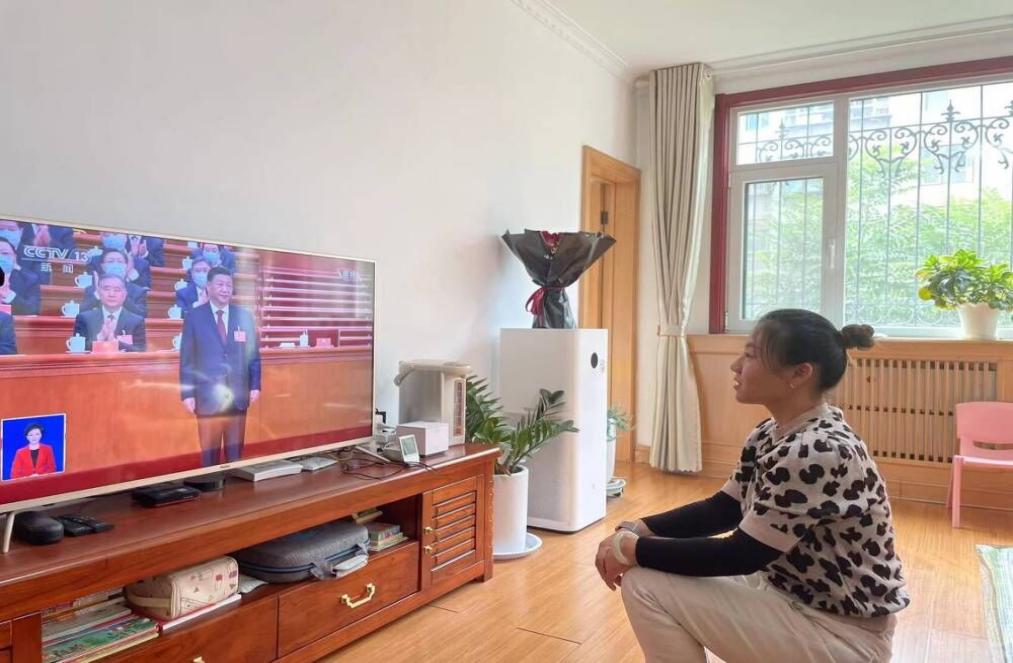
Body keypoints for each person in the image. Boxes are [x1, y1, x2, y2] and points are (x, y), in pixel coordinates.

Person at [600, 310, 909, 663]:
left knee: (645, 583)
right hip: (789, 591)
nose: (736, 366)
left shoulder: (816, 450)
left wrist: (632, 549)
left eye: (750, 356)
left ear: (799, 373)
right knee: (649, 567)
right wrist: (638, 529)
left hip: (840, 632)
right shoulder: (772, 433)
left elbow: (741, 555)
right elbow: (725, 508)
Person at [179, 266, 261, 467]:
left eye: (229, 285)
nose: (225, 289)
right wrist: (187, 393)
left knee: (235, 456)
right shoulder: (194, 317)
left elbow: (253, 355)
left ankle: (234, 486)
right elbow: (187, 359)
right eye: (220, 284)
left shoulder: (244, 316)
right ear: (208, 287)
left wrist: (255, 385)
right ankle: (212, 485)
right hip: (207, 397)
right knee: (209, 456)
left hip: (237, 395)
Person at [72, 273, 147, 352]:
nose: (111, 294)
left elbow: (141, 350)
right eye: (106, 289)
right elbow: (77, 349)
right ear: (99, 292)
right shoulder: (84, 318)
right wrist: (99, 338)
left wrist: (116, 343)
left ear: (124, 294)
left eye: (117, 290)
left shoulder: (136, 321)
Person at [81, 248, 149, 318]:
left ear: (126, 266)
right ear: (102, 266)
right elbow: (81, 312)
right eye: (111, 261)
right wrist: (97, 296)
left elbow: (142, 315)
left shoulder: (137, 291)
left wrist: (124, 298)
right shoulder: (92, 290)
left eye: (120, 262)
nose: (115, 264)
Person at [85, 232, 152, 289]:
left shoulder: (141, 264)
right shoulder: (94, 261)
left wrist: (128, 277)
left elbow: (144, 294)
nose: (112, 237)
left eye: (116, 234)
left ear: (125, 237)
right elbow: (90, 289)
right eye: (107, 234)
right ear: (101, 237)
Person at [0, 237, 41, 315]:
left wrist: (8, 295)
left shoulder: (29, 280)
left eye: (5, 253)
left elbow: (33, 309)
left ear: (14, 257)